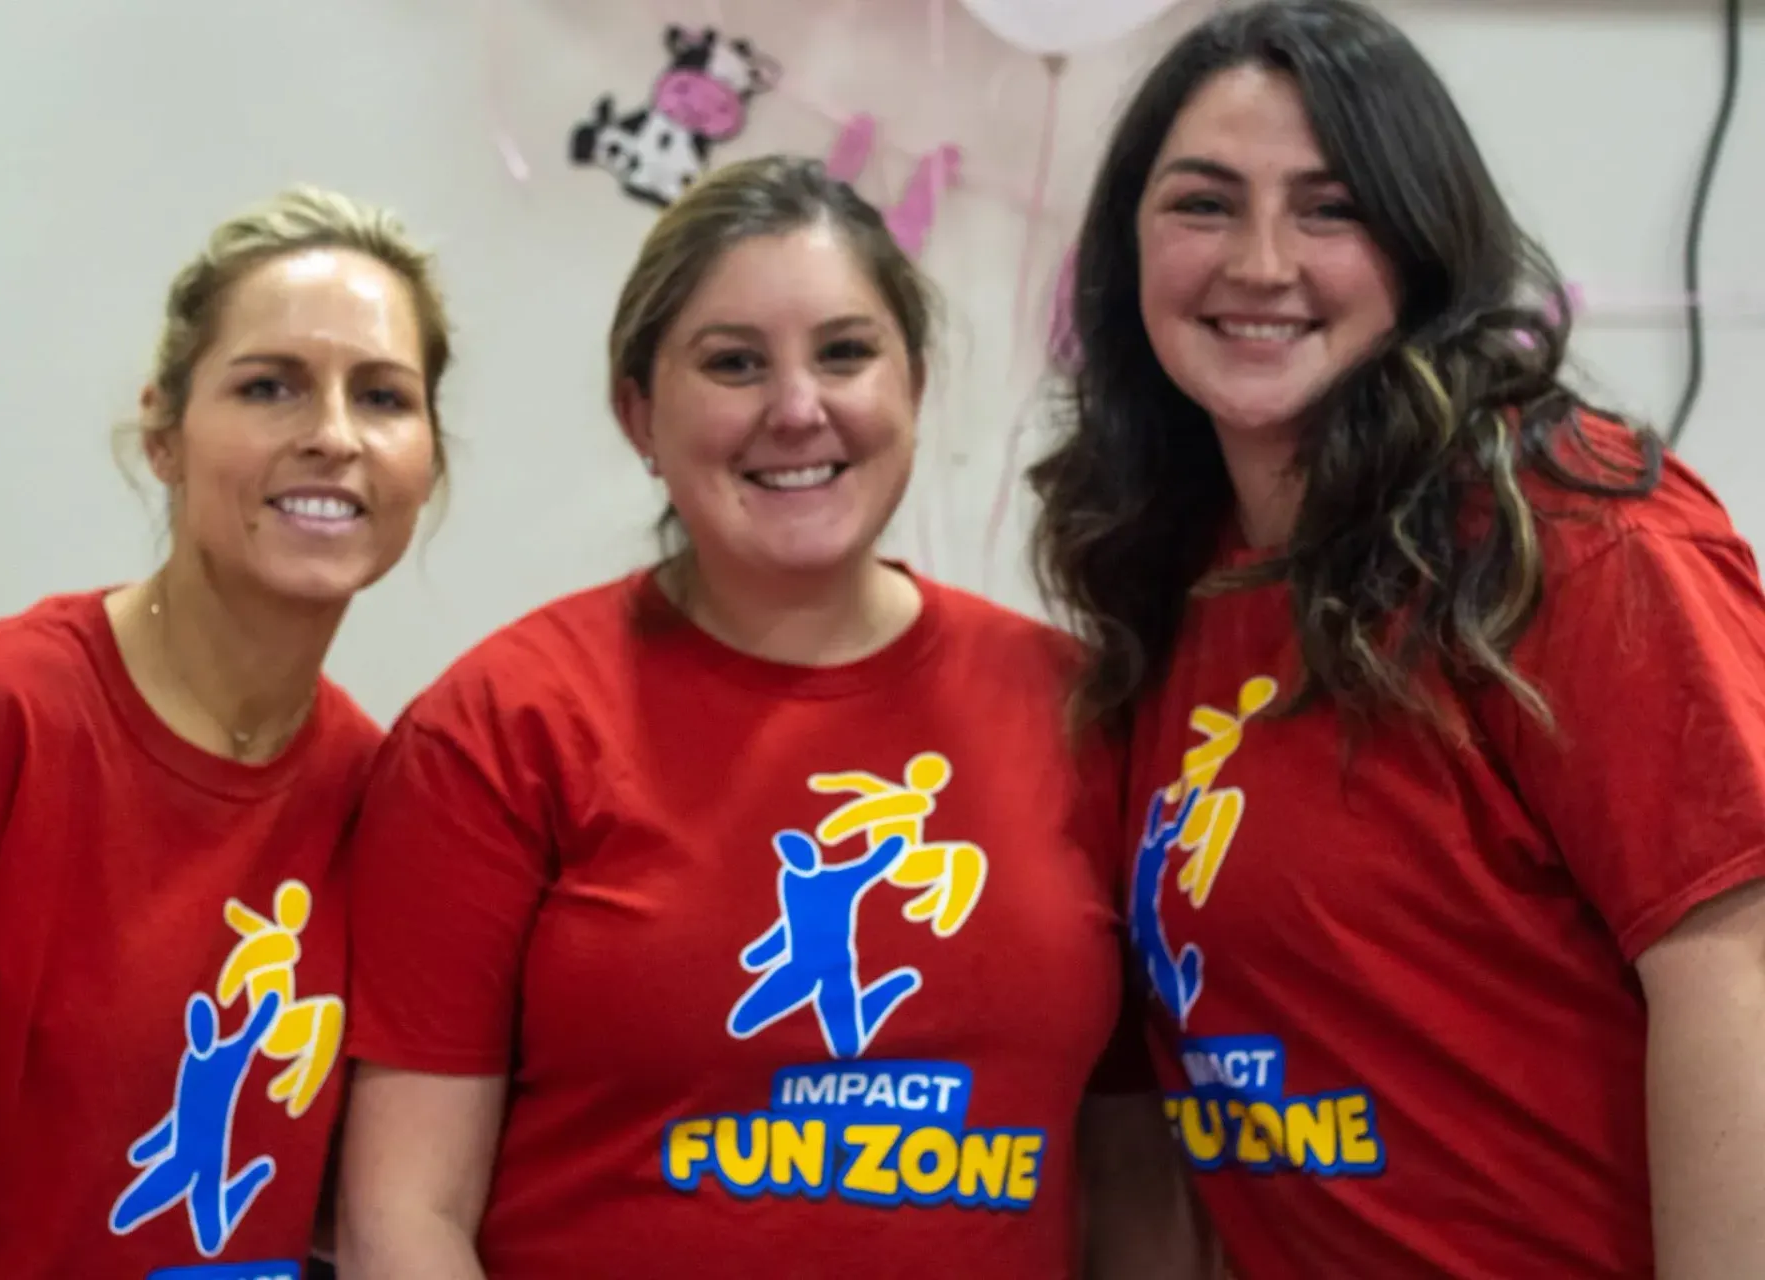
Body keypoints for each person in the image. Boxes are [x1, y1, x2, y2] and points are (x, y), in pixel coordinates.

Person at [334, 155, 1210, 1279]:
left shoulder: (1081, 710)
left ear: (914, 384)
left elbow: (1136, 1176)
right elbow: (404, 1217)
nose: (798, 409)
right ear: (638, 413)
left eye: (845, 352)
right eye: (734, 363)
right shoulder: (500, 728)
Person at [1030, 1, 1765, 1276]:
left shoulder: (1570, 526)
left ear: (1425, 244)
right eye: (1203, 204)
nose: (1262, 262)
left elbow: (1739, 968)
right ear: (1124, 252)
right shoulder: (1175, 584)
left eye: (1332, 207)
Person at [0, 185, 452, 1278]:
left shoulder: (386, 795)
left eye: (383, 396)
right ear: (164, 433)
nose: (331, 435)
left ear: (430, 461)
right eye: (269, 386)